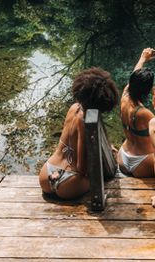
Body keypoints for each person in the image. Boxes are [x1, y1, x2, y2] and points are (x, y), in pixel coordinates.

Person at [38, 67, 120, 199]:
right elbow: (81, 167)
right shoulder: (86, 121)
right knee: (102, 180)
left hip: (46, 174)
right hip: (68, 184)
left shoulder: (74, 107)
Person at [117, 48, 155, 177]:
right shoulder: (143, 113)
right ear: (148, 90)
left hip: (123, 156)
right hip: (142, 162)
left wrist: (143, 58)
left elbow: (133, 77)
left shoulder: (125, 97)